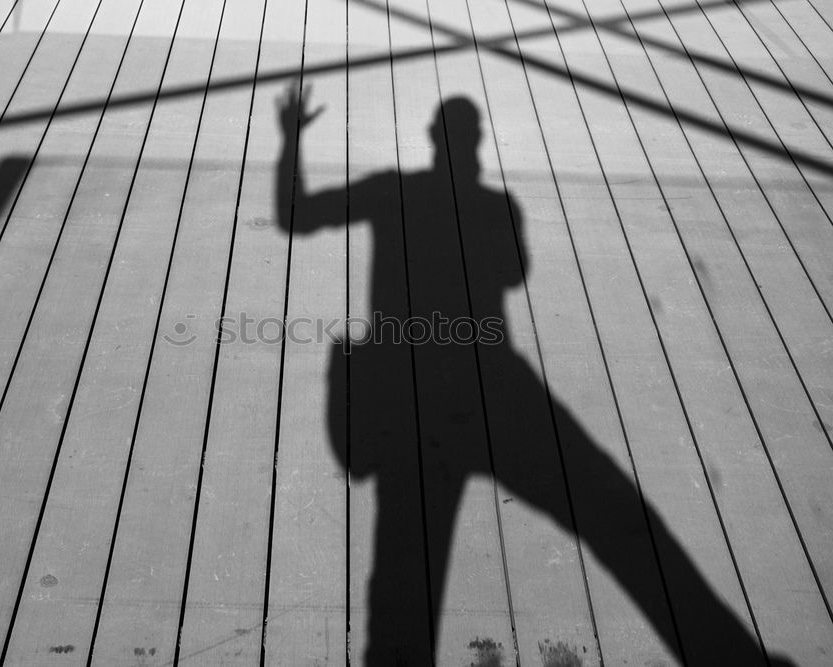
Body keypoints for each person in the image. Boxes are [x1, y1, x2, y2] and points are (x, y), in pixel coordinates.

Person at [276, 84, 785, 666]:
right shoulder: (499, 206)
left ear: (432, 141)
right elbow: (514, 274)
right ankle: (727, 654)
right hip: (493, 382)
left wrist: (292, 139)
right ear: (475, 143)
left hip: (408, 394)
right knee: (612, 512)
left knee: (403, 578)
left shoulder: (390, 191)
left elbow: (298, 215)